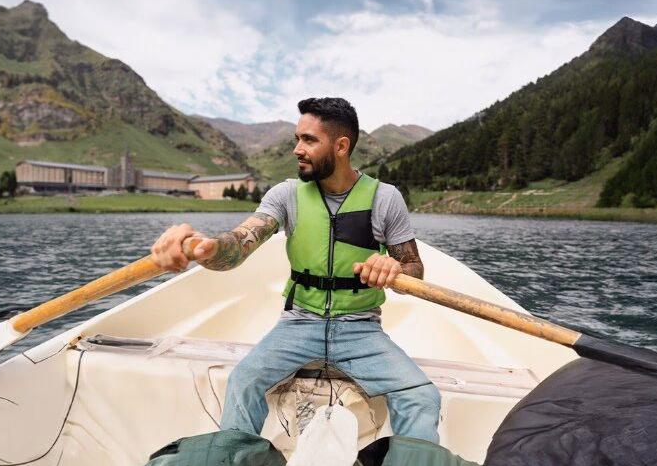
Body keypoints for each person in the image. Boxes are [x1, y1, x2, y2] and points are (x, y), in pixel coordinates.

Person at [150, 97, 441, 442]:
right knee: (243, 382)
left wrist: (394, 267)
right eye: (296, 139)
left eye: (309, 140)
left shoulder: (385, 198)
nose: (297, 150)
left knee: (422, 396)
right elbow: (239, 243)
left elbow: (414, 269)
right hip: (299, 322)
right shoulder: (286, 194)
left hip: (362, 329)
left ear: (341, 145)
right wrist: (205, 248)